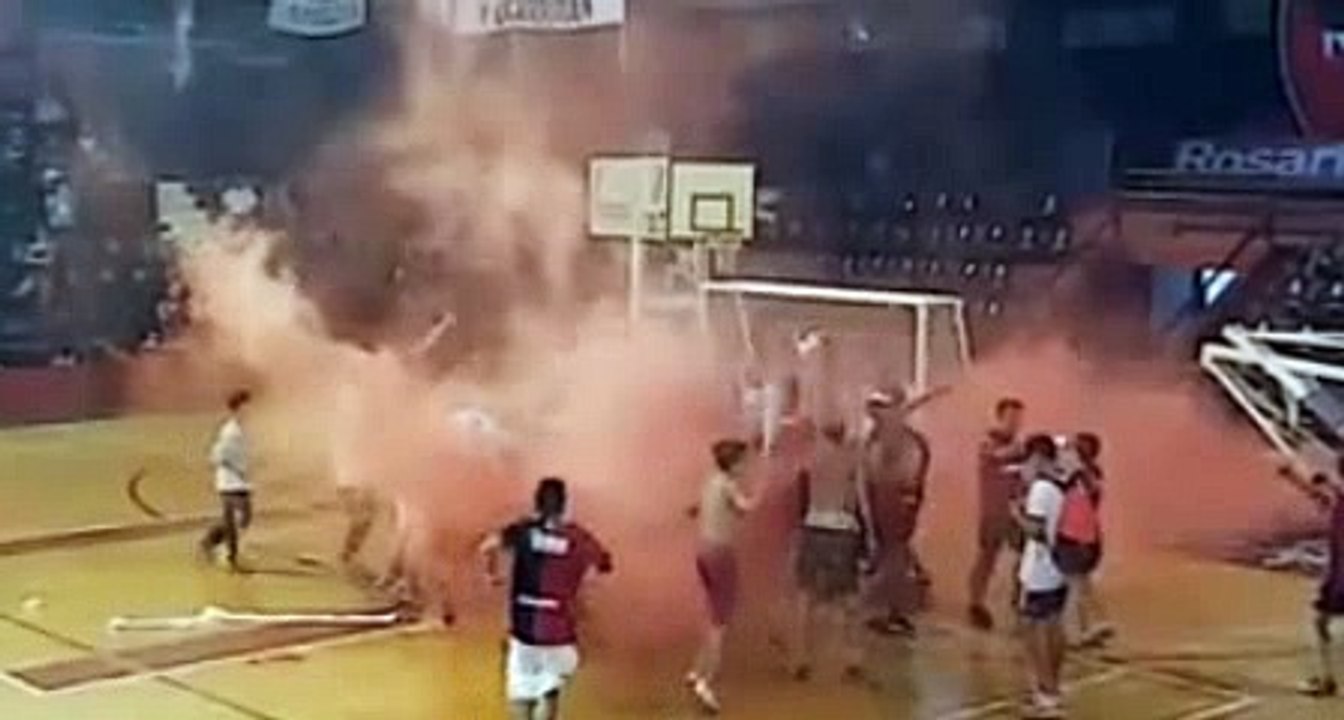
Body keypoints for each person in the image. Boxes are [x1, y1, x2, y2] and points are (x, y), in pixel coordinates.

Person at [480, 478, 614, 720]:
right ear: (564, 505)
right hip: (559, 630)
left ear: (537, 503)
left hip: (524, 629)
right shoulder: (578, 537)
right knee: (549, 692)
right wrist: (580, 590)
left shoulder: (522, 531)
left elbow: (487, 546)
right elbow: (604, 564)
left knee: (522, 695)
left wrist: (491, 575)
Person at [792, 421, 873, 682]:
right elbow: (860, 499)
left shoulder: (811, 459)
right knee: (849, 598)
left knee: (806, 596)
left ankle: (802, 659)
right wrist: (869, 533)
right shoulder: (851, 460)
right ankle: (854, 660)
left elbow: (799, 495)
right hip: (841, 529)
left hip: (813, 526)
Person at [686, 439, 758, 714]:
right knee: (720, 623)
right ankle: (705, 682)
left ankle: (696, 670)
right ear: (735, 464)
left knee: (712, 615)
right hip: (720, 556)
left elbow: (697, 507)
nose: (747, 467)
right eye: (744, 462)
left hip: (702, 553)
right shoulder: (728, 485)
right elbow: (745, 508)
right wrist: (762, 494)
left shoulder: (710, 481)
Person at [860, 388, 932, 636]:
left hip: (893, 503)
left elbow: (905, 476)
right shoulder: (885, 437)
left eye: (878, 408)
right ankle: (892, 608)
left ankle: (892, 611)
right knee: (893, 553)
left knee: (893, 555)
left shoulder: (896, 439)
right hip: (890, 503)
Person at [1015, 435, 1070, 719]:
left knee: (1033, 629)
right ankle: (1055, 687)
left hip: (1039, 570)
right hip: (1060, 566)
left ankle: (1045, 692)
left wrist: (1016, 513)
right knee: (1054, 625)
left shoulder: (1040, 489)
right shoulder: (1063, 484)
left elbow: (1035, 530)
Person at [1280, 457, 1344, 698]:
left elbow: (1330, 488)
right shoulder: (1336, 501)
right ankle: (1327, 680)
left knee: (1324, 624)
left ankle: (1328, 680)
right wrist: (1292, 476)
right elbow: (1318, 494)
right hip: (1338, 575)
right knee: (1321, 623)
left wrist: (1328, 480)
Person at [968, 398, 1027, 631]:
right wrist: (1023, 449)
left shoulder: (1019, 447)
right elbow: (995, 456)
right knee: (987, 557)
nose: (1015, 422)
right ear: (1000, 417)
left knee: (1026, 555)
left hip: (1016, 512)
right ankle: (976, 603)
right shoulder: (989, 441)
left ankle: (1019, 599)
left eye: (1019, 418)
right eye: (1011, 417)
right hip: (993, 511)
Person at [1055, 433, 1114, 648]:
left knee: (1079, 583)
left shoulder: (1087, 476)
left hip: (1083, 536)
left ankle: (1087, 626)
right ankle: (1080, 630)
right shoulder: (1068, 475)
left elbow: (1092, 494)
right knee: (1077, 584)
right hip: (1073, 536)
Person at [200, 390, 254, 572]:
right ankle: (230, 558)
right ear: (238, 408)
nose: (251, 410)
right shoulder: (230, 432)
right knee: (237, 519)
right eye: (247, 406)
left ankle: (210, 542)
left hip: (241, 481)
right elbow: (218, 456)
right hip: (230, 483)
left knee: (242, 518)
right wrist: (238, 469)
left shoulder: (241, 430)